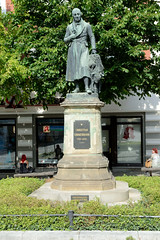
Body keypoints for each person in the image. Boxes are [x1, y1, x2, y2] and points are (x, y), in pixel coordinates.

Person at [64, 8, 97, 94]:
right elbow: (65, 39)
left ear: (81, 14)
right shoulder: (69, 27)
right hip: (73, 49)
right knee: (74, 68)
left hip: (83, 48)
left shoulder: (86, 25)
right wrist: (71, 36)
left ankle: (87, 87)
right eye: (75, 14)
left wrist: (93, 48)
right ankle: (77, 87)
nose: (77, 16)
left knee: (84, 66)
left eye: (78, 14)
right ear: (73, 16)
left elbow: (92, 37)